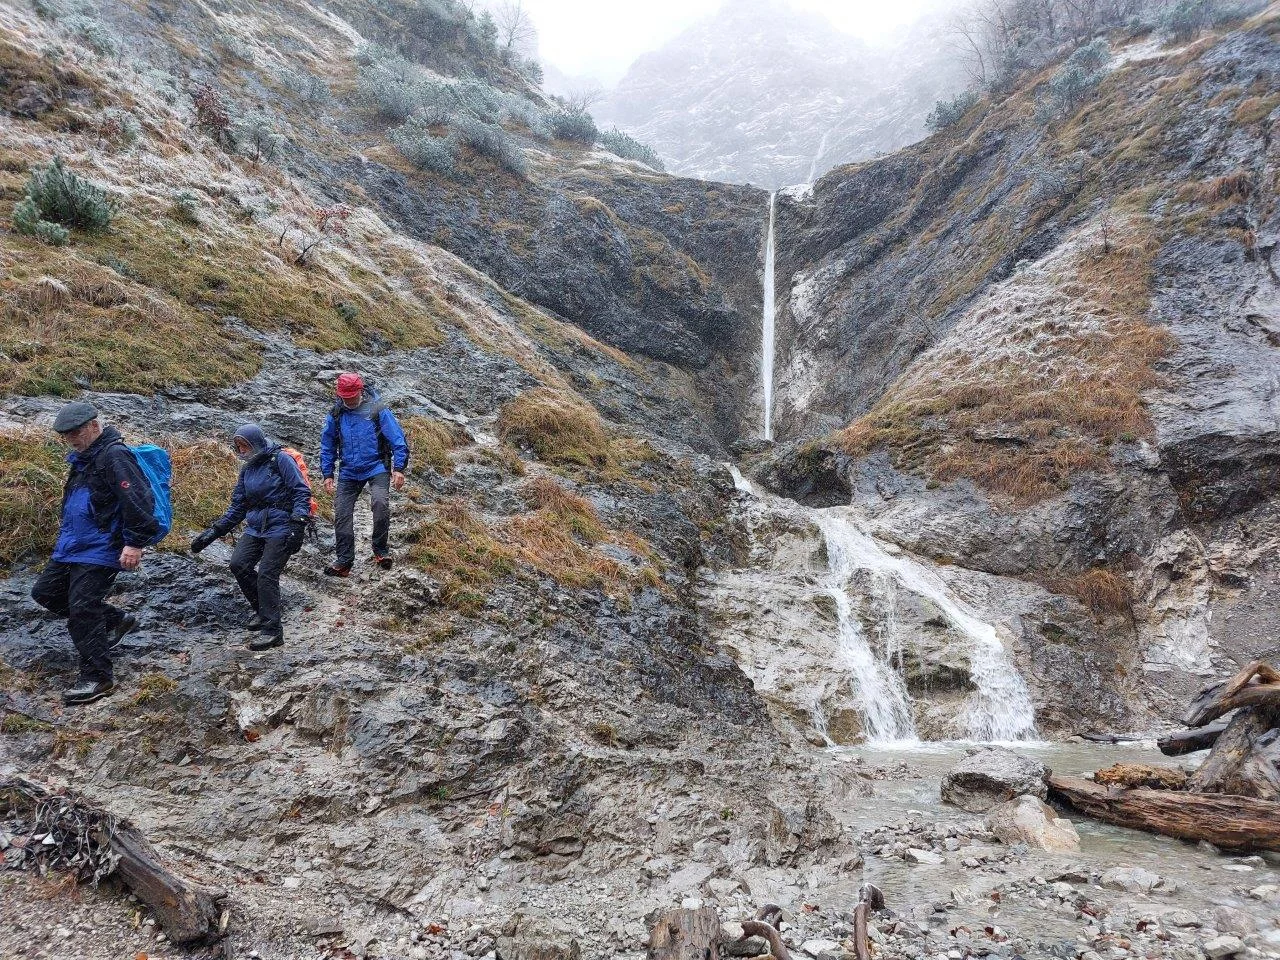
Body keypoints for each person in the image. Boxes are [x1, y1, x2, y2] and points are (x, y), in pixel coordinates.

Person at [31, 402, 157, 705]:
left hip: (101, 546)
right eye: (66, 435)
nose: (72, 438)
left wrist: (135, 542)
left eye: (76, 432)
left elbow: (138, 498)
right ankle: (116, 620)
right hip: (72, 545)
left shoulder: (114, 455)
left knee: (83, 609)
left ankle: (97, 677)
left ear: (94, 425)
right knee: (45, 593)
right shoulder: (83, 459)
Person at [190, 424, 311, 650]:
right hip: (256, 526)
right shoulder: (247, 469)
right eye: (238, 446)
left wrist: (298, 524)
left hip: (282, 524)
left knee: (267, 573)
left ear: (256, 442)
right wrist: (213, 533)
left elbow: (301, 492)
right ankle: (263, 610)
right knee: (239, 564)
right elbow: (238, 506)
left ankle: (272, 631)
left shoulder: (281, 460)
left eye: (245, 445)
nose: (242, 450)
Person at [318, 373, 409, 577]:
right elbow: (327, 445)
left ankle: (380, 550)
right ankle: (344, 561)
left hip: (377, 466)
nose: (348, 401)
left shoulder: (377, 409)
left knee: (380, 503)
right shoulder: (335, 413)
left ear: (360, 391)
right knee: (341, 513)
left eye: (351, 396)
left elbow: (397, 438)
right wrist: (327, 473)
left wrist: (399, 468)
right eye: (344, 397)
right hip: (349, 470)